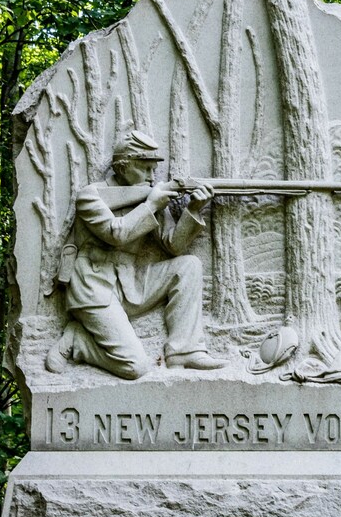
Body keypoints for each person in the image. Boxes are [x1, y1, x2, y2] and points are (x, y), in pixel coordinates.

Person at [49, 130, 229, 379]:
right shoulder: (91, 196)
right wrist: (152, 204)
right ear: (122, 167)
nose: (152, 176)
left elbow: (173, 246)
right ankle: (78, 341)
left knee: (188, 265)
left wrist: (194, 210)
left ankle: (185, 350)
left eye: (153, 169)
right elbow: (116, 233)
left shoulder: (149, 196)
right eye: (145, 168)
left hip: (131, 285)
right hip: (93, 288)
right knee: (136, 367)